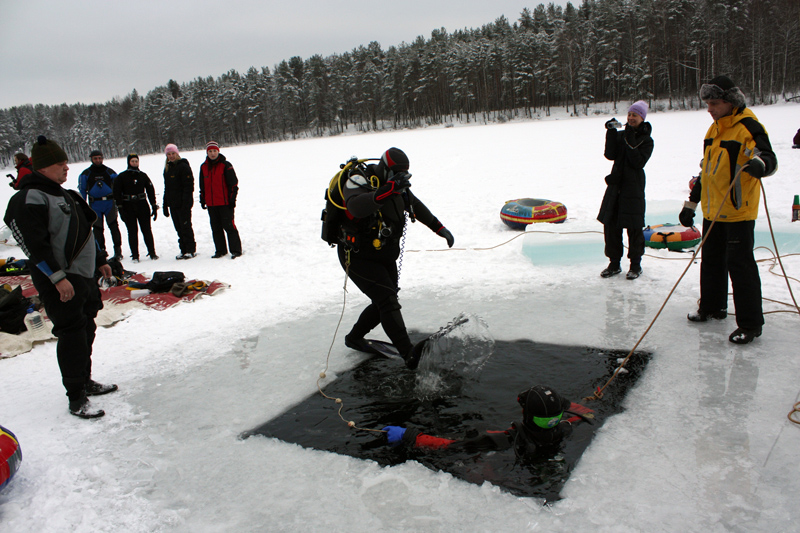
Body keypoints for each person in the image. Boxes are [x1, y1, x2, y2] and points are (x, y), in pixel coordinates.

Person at [4, 136, 117, 419]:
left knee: (86, 327)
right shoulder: (28, 198)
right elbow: (34, 245)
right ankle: (76, 397)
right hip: (60, 279)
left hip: (82, 275)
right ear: (42, 167)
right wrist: (56, 278)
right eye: (59, 163)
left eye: (66, 162)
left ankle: (85, 380)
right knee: (72, 333)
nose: (66, 168)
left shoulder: (65, 194)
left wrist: (101, 260)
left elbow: (85, 231)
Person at [332, 148, 454, 370]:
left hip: (383, 254)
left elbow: (415, 205)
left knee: (385, 300)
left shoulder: (398, 187)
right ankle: (409, 355)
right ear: (386, 168)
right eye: (395, 173)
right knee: (387, 300)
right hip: (358, 256)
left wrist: (440, 228)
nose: (399, 178)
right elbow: (355, 206)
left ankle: (354, 338)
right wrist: (388, 189)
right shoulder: (359, 179)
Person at [679, 76, 777, 344]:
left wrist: (761, 165)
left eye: (714, 103)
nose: (709, 108)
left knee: (740, 265)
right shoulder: (713, 131)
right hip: (712, 212)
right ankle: (712, 307)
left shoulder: (747, 126)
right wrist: (691, 204)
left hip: (737, 212)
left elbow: (769, 157)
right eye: (707, 103)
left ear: (729, 101)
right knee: (711, 261)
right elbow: (705, 173)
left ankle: (750, 324)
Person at [383, 385, 592, 457]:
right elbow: (587, 412)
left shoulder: (508, 439)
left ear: (527, 414)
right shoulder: (565, 428)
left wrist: (410, 436)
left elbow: (455, 446)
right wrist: (560, 403)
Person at [597, 100, 653, 280]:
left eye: (634, 115)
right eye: (629, 114)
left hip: (633, 188)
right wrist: (611, 133)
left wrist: (628, 137)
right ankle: (614, 264)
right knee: (611, 226)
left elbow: (637, 161)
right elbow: (610, 155)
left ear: (642, 118)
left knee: (634, 227)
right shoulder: (623, 135)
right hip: (616, 187)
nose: (630, 118)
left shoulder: (646, 140)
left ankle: (635, 265)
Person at [198, 141, 242, 259]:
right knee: (216, 228)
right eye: (210, 151)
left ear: (218, 151)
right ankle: (220, 250)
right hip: (212, 204)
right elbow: (202, 186)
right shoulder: (203, 167)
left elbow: (233, 184)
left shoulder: (225, 165)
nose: (212, 154)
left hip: (225, 203)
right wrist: (203, 199)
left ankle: (236, 250)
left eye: (214, 151)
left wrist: (232, 199)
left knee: (229, 226)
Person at [113, 153, 159, 262]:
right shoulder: (121, 176)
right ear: (128, 162)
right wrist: (120, 208)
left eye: (136, 161)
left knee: (147, 230)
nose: (134, 163)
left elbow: (150, 190)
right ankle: (135, 255)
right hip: (128, 206)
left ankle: (152, 252)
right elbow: (116, 192)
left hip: (142, 205)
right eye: (132, 161)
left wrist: (153, 205)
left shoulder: (143, 175)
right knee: (132, 231)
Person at [78, 149, 123, 261]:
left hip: (109, 203)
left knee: (113, 226)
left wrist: (120, 200)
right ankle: (101, 251)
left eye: (99, 158)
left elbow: (118, 186)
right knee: (97, 229)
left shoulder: (109, 171)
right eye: (95, 158)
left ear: (102, 158)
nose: (98, 160)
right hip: (95, 204)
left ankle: (118, 251)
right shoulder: (86, 174)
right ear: (91, 159)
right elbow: (82, 190)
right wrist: (83, 206)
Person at [162, 144, 196, 259]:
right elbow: (166, 188)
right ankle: (183, 249)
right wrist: (165, 204)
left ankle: (190, 249)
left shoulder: (183, 166)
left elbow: (188, 186)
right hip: (173, 203)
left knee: (185, 226)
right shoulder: (167, 168)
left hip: (183, 203)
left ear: (177, 154)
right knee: (178, 228)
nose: (171, 156)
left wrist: (186, 202)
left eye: (173, 154)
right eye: (169, 154)